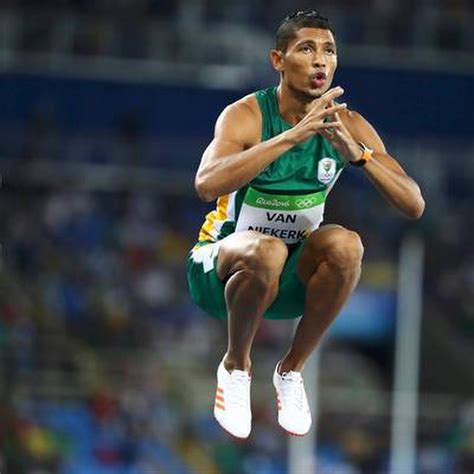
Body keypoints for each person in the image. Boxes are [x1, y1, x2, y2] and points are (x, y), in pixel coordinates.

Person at [186, 10, 425, 439]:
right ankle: (236, 367)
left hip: (286, 283)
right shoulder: (246, 116)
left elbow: (413, 204)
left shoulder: (348, 124)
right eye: (307, 49)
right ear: (278, 60)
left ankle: (291, 371)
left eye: (329, 51)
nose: (320, 60)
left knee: (346, 245)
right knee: (267, 249)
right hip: (221, 275)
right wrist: (290, 137)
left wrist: (360, 157)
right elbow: (206, 184)